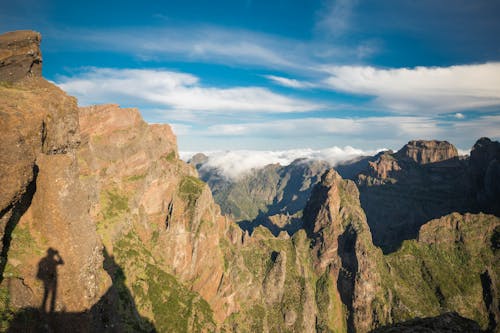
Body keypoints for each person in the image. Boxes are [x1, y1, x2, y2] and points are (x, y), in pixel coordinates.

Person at [37, 248, 64, 313]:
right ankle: (49, 310)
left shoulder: (43, 260)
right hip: (50, 279)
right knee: (51, 294)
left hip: (47, 279)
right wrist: (58, 255)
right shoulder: (51, 260)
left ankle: (44, 308)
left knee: (46, 294)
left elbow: (61, 262)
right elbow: (61, 262)